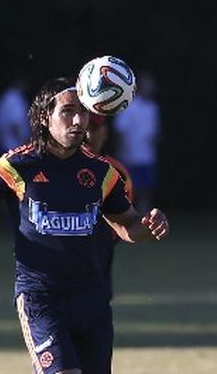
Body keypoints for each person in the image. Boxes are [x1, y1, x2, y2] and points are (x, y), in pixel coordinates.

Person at [0, 78, 169, 374]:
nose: (79, 121)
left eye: (84, 112)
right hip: (41, 297)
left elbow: (126, 226)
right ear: (44, 116)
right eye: (68, 111)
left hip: (92, 297)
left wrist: (149, 225)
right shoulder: (15, 166)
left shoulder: (102, 172)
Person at [84, 113, 134, 299]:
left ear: (105, 133)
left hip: (98, 252)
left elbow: (124, 219)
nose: (88, 135)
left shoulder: (116, 171)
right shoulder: (58, 168)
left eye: (94, 129)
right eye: (85, 129)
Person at [113, 70, 160, 214]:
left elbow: (155, 132)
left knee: (146, 191)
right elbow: (121, 132)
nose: (150, 87)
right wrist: (123, 154)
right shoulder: (129, 106)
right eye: (146, 83)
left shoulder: (153, 108)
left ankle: (145, 221)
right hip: (130, 157)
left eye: (151, 84)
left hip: (148, 157)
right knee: (130, 192)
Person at [0, 75, 31, 153]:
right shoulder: (15, 98)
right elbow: (15, 124)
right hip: (14, 147)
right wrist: (24, 143)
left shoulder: (6, 96)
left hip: (4, 144)